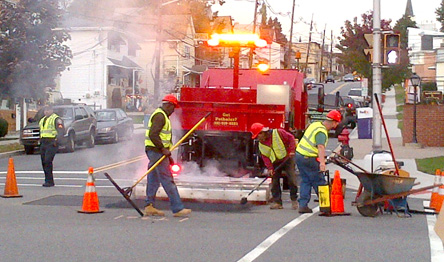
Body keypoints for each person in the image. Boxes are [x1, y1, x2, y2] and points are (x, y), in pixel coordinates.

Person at [144, 94, 191, 217]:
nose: (173, 111)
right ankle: (177, 208)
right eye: (173, 107)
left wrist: (167, 154)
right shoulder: (160, 116)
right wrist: (162, 149)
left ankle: (149, 205)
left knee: (153, 178)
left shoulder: (161, 115)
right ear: (168, 105)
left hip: (155, 151)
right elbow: (153, 134)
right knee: (167, 179)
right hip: (156, 152)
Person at [295, 110, 342, 213]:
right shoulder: (321, 132)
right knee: (319, 181)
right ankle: (325, 206)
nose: (336, 126)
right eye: (336, 123)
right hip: (309, 158)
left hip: (299, 155)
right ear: (333, 122)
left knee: (306, 181)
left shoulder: (315, 125)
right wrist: (322, 163)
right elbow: (320, 147)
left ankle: (303, 205)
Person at [250, 123, 299, 210]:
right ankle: (277, 202)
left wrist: (291, 150)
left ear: (263, 132)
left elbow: (291, 138)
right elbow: (265, 157)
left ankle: (294, 200)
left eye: (258, 136)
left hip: (287, 158)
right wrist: (270, 168)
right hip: (275, 162)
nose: (258, 138)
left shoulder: (278, 133)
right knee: (274, 181)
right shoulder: (261, 145)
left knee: (292, 180)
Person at [39, 106, 64, 187]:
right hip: (43, 142)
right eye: (45, 110)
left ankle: (50, 181)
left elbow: (61, 130)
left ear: (51, 110)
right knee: (43, 162)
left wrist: (57, 141)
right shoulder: (43, 119)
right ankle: (47, 180)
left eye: (48, 110)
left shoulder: (56, 119)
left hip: (52, 142)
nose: (46, 112)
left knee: (48, 161)